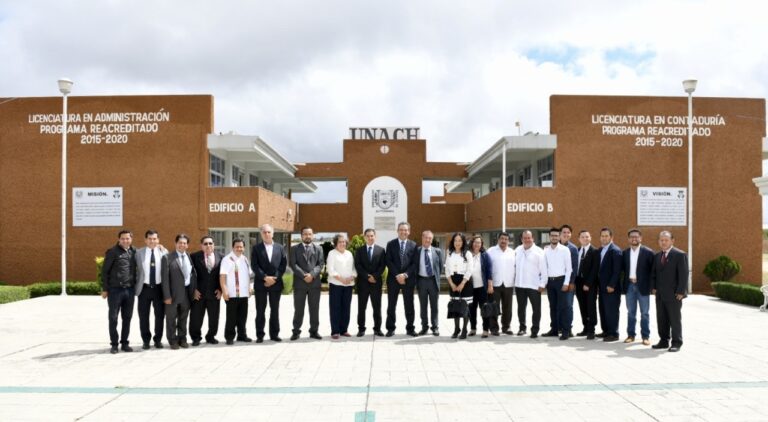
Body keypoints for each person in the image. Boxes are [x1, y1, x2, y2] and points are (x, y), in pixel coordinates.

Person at [650, 231, 688, 352]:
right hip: (660, 294)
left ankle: (677, 342)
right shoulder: (657, 256)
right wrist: (654, 288)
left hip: (674, 295)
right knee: (661, 319)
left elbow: (683, 275)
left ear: (672, 241)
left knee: (674, 319)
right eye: (661, 240)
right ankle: (663, 341)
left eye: (666, 240)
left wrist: (681, 291)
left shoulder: (680, 255)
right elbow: (654, 274)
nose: (663, 242)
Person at [101, 230, 137, 354]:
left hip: (130, 290)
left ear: (131, 239)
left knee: (127, 318)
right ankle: (114, 344)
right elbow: (105, 272)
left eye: (127, 238)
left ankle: (125, 343)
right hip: (115, 291)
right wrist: (105, 289)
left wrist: (160, 246)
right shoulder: (112, 252)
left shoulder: (134, 251)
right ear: (119, 239)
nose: (125, 241)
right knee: (113, 318)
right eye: (123, 238)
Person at [252, 224, 288, 343]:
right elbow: (255, 266)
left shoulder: (280, 248)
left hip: (276, 284)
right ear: (261, 234)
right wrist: (265, 278)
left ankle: (274, 334)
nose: (266, 234)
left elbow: (283, 265)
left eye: (269, 232)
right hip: (261, 284)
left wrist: (275, 278)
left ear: (273, 233)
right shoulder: (256, 248)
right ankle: (260, 335)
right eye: (264, 232)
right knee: (260, 311)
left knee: (275, 310)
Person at [161, 234, 197, 350]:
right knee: (171, 318)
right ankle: (172, 340)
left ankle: (182, 339)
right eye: (180, 242)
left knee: (183, 317)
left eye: (185, 243)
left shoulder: (188, 256)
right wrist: (167, 296)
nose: (182, 245)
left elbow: (192, 275)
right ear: (175, 244)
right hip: (172, 294)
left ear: (187, 245)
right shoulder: (167, 257)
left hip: (186, 293)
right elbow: (165, 279)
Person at [134, 230, 168, 350]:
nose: (152, 241)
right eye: (149, 239)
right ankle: (146, 340)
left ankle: (158, 340)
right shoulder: (139, 253)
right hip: (144, 289)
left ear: (158, 240)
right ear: (145, 240)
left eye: (154, 239)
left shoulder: (164, 252)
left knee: (159, 316)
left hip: (159, 289)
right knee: (143, 316)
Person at [289, 227, 324, 341]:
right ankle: (296, 331)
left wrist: (312, 275)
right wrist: (304, 276)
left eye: (310, 234)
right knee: (299, 309)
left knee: (314, 309)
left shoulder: (319, 248)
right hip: (300, 284)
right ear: (301, 236)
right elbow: (293, 265)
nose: (307, 236)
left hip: (314, 284)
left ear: (313, 235)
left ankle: (314, 331)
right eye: (305, 234)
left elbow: (320, 264)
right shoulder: (294, 249)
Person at [385, 222, 418, 337]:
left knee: (409, 305)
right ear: (397, 231)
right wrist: (398, 275)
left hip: (408, 280)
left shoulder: (414, 245)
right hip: (393, 280)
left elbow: (415, 263)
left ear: (409, 231)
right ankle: (390, 328)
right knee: (391, 305)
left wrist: (405, 275)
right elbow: (388, 261)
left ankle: (410, 328)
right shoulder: (390, 244)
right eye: (401, 230)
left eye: (405, 230)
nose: (403, 232)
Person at [622, 229, 654, 345]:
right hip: (630, 285)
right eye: (631, 237)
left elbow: (652, 271)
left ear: (641, 238)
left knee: (644, 313)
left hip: (643, 286)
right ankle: (631, 335)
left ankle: (645, 336)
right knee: (631, 312)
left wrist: (652, 286)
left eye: (636, 237)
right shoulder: (625, 253)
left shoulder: (648, 252)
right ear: (628, 239)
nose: (634, 239)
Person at [189, 235, 223, 346]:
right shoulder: (194, 257)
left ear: (214, 245)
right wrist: (193, 290)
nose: (208, 245)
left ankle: (211, 336)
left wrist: (221, 290)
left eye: (210, 243)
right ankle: (196, 338)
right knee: (196, 318)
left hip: (214, 293)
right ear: (201, 246)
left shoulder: (221, 257)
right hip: (198, 293)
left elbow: (223, 275)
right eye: (205, 244)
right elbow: (189, 275)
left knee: (214, 318)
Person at [514, 230, 547, 338]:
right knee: (521, 309)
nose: (527, 240)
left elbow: (544, 270)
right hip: (520, 285)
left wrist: (543, 284)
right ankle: (522, 328)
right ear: (521, 239)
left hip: (534, 286)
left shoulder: (539, 251)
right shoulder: (517, 250)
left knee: (536, 309)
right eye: (525, 238)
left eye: (529, 238)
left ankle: (535, 330)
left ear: (533, 238)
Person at [219, 238, 252, 345]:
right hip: (232, 294)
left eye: (241, 246)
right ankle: (229, 337)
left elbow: (248, 276)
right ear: (233, 247)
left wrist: (249, 288)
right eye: (237, 246)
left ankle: (242, 335)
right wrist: (224, 291)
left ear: (244, 248)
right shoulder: (227, 259)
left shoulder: (245, 259)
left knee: (243, 317)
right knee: (231, 317)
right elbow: (222, 276)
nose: (239, 248)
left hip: (244, 294)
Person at [543, 227, 574, 340]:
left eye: (556, 235)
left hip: (562, 281)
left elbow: (569, 268)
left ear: (559, 236)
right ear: (549, 237)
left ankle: (565, 331)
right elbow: (544, 268)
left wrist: (566, 283)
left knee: (564, 307)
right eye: (552, 235)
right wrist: (544, 282)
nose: (554, 237)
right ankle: (554, 329)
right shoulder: (545, 250)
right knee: (553, 307)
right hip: (550, 282)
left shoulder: (565, 250)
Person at [354, 228, 386, 337]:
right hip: (363, 283)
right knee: (361, 307)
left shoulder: (381, 250)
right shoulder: (359, 250)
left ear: (375, 237)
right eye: (368, 236)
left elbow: (382, 266)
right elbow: (358, 265)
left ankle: (377, 329)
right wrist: (367, 276)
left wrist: (374, 276)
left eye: (372, 236)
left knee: (377, 307)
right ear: (364, 237)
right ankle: (361, 329)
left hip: (376, 283)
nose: (370, 238)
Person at [413, 230, 443, 336]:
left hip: (433, 281)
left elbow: (439, 267)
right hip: (421, 281)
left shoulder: (438, 251)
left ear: (432, 239)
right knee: (423, 306)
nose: (428, 240)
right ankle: (424, 327)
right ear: (422, 238)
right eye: (426, 237)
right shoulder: (417, 251)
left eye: (430, 238)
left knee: (434, 306)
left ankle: (435, 327)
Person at [326, 234, 356, 339]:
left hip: (348, 285)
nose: (342, 244)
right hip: (336, 285)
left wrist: (352, 277)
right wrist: (342, 279)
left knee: (346, 308)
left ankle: (344, 330)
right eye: (340, 242)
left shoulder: (349, 254)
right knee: (335, 308)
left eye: (344, 242)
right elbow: (331, 270)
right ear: (335, 243)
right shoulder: (332, 253)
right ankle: (335, 331)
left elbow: (353, 268)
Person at [445, 232, 474, 339]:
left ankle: (465, 329)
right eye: (455, 240)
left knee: (464, 306)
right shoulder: (449, 252)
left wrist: (462, 283)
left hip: (465, 281)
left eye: (460, 240)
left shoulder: (467, 253)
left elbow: (470, 270)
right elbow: (447, 269)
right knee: (455, 306)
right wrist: (451, 283)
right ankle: (456, 328)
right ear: (453, 242)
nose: (457, 243)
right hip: (453, 280)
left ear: (463, 242)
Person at [486, 232, 516, 336]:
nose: (503, 241)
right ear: (498, 239)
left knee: (507, 307)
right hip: (494, 284)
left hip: (508, 283)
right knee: (494, 306)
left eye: (506, 239)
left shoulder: (513, 252)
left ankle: (506, 327)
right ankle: (494, 328)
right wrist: (488, 283)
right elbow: (487, 268)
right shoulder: (490, 251)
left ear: (508, 241)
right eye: (502, 239)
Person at [597, 227, 622, 342]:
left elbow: (617, 271)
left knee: (611, 311)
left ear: (611, 237)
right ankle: (606, 331)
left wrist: (612, 285)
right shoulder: (601, 250)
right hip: (602, 287)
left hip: (611, 288)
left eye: (606, 236)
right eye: (602, 236)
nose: (604, 238)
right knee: (603, 310)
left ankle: (613, 333)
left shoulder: (615, 250)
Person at [574, 230, 600, 339]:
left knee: (590, 306)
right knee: (582, 306)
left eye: (587, 237)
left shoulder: (595, 251)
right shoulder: (578, 250)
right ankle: (585, 327)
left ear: (590, 238)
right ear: (579, 239)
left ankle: (591, 330)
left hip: (590, 284)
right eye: (582, 237)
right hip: (578, 282)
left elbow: (595, 269)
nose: (585, 238)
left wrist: (588, 283)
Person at [468, 235, 493, 338]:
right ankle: (473, 328)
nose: (477, 244)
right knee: (471, 310)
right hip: (470, 288)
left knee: (484, 309)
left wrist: (490, 285)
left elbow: (489, 271)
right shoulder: (468, 255)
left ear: (481, 244)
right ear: (472, 243)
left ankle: (485, 329)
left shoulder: (485, 255)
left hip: (482, 287)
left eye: (479, 242)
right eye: (475, 242)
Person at [559, 224, 579, 337]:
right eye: (564, 232)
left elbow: (575, 267)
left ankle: (568, 328)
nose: (566, 234)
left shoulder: (573, 248)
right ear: (560, 234)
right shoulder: (554, 246)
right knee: (559, 306)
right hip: (557, 281)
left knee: (568, 305)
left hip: (569, 282)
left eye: (568, 232)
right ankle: (559, 327)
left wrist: (571, 282)